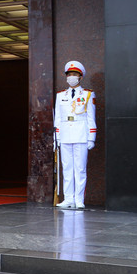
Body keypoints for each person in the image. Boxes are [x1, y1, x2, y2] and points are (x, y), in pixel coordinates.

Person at [54, 60, 96, 210]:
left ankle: (79, 199)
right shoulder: (60, 95)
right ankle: (68, 198)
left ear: (80, 77)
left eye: (74, 75)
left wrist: (91, 137)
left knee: (80, 169)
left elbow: (91, 117)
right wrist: (57, 137)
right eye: (69, 74)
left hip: (81, 135)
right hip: (65, 135)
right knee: (67, 168)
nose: (71, 77)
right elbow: (57, 118)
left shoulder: (88, 94)